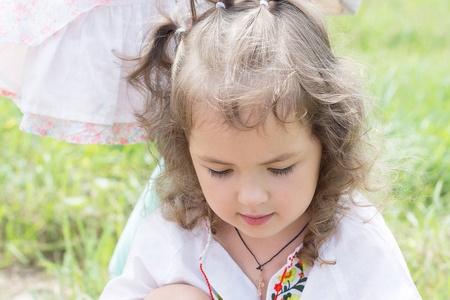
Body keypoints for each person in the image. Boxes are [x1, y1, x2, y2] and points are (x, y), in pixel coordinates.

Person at [99, 0, 420, 299]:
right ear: (186, 150)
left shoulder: (355, 239)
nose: (251, 197)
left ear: (327, 142)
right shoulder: (178, 236)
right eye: (220, 171)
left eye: (279, 169)